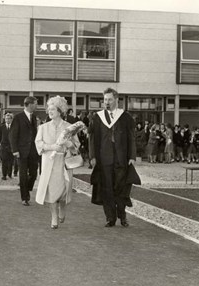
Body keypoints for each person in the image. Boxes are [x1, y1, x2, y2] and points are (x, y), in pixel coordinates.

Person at [89, 88, 136, 227]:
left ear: (116, 100)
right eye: (105, 100)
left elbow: (131, 138)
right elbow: (92, 139)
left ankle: (122, 215)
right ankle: (110, 217)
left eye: (109, 99)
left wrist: (132, 156)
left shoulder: (125, 117)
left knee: (121, 188)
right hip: (104, 159)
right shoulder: (97, 117)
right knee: (107, 188)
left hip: (121, 158)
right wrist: (92, 156)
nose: (107, 102)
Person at [35, 96, 80, 229]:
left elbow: (77, 146)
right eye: (49, 109)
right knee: (51, 192)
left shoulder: (69, 128)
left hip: (64, 164)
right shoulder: (43, 127)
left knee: (63, 191)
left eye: (53, 109)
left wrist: (68, 143)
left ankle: (62, 208)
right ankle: (54, 217)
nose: (50, 111)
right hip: (49, 163)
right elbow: (38, 144)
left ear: (60, 111)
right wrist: (51, 147)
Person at [11, 96, 40, 206]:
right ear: (30, 104)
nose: (37, 106)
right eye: (36, 104)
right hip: (21, 151)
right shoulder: (18, 117)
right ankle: (25, 197)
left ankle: (27, 188)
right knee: (23, 174)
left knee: (33, 173)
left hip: (33, 151)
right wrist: (15, 150)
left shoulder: (34, 118)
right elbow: (13, 135)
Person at [0, 113, 15, 180]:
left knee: (11, 161)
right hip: (4, 146)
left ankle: (9, 174)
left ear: (11, 119)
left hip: (11, 146)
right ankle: (4, 175)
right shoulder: (1, 127)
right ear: (5, 119)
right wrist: (0, 143)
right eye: (6, 119)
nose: (7, 120)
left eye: (9, 118)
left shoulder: (14, 126)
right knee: (4, 161)